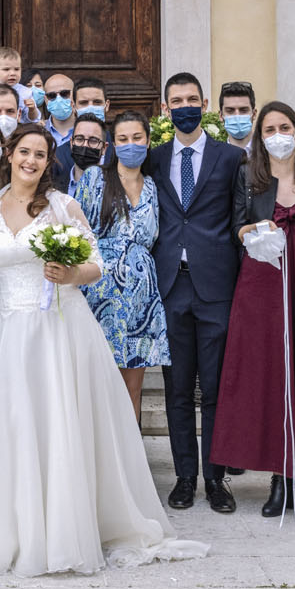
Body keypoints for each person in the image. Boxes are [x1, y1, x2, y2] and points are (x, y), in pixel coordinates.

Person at [0, 124, 207, 576]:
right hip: (11, 331)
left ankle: (65, 530)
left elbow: (95, 265)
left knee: (58, 424)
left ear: (49, 161)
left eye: (40, 154)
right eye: (24, 151)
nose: (30, 160)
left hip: (57, 329)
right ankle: (15, 530)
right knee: (15, 424)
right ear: (9, 154)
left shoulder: (64, 206)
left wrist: (70, 275)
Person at [214, 101, 295, 518]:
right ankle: (279, 477)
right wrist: (249, 230)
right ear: (259, 136)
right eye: (269, 129)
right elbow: (235, 227)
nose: (277, 134)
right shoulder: (249, 176)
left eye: (285, 126)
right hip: (262, 287)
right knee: (269, 378)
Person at [150, 72, 244, 514]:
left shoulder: (230, 159)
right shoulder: (154, 158)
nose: (184, 106)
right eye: (176, 100)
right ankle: (185, 476)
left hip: (216, 286)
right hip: (172, 287)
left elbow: (239, 216)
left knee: (217, 389)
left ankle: (217, 478)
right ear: (166, 107)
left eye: (192, 99)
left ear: (205, 104)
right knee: (178, 389)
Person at [75, 111, 171, 423]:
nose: (130, 145)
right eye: (123, 139)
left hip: (142, 300)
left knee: (133, 388)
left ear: (148, 141)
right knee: (97, 385)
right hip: (99, 294)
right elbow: (79, 234)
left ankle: (130, 466)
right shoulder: (94, 178)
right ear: (112, 144)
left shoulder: (154, 187)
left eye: (137, 138)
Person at [63, 113, 107, 196]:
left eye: (93, 141)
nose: (85, 145)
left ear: (104, 148)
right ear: (72, 143)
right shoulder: (54, 186)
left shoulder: (115, 187)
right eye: (79, 139)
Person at [218, 81, 257, 152]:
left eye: (243, 110)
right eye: (230, 111)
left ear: (254, 114)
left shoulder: (269, 153)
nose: (237, 115)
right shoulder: (214, 157)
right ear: (221, 115)